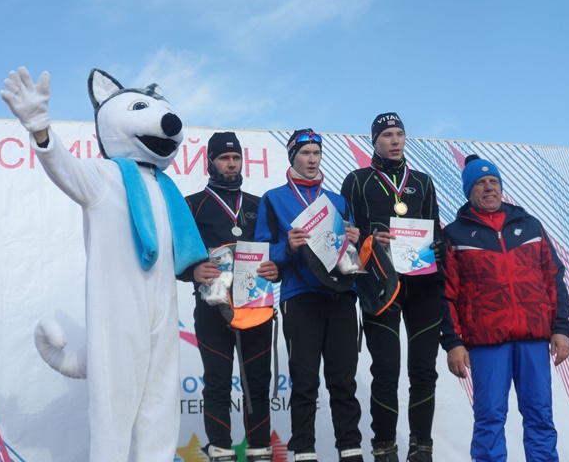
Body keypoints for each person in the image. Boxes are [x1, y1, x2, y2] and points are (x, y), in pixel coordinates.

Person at [440, 154, 569, 462]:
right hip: (486, 341)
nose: (489, 188)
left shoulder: (529, 225)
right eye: (480, 183)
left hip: (533, 337)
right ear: (469, 190)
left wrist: (562, 329)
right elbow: (446, 292)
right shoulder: (455, 234)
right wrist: (453, 342)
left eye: (493, 181)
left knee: (540, 415)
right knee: (489, 419)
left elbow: (554, 278)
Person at [254, 129, 363, 462]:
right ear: (293, 157)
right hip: (300, 295)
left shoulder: (338, 200)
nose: (312, 159)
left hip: (341, 296)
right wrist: (287, 246)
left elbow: (350, 249)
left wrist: (354, 237)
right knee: (304, 382)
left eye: (317, 152)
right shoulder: (273, 199)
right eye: (305, 153)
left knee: (343, 381)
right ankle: (304, 451)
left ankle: (351, 450)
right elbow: (261, 253)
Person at [341, 113, 444, 462]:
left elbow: (437, 235)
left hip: (423, 286)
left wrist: (436, 251)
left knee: (423, 369)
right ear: (375, 141)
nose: (395, 140)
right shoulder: (356, 181)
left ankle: (422, 448)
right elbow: (344, 238)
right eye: (387, 135)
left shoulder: (424, 182)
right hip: (378, 285)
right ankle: (384, 447)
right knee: (386, 368)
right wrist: (371, 238)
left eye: (400, 134)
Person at [178, 132, 279, 462]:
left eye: (236, 158)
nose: (231, 164)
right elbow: (176, 254)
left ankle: (260, 451)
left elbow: (273, 251)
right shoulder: (192, 204)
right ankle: (221, 451)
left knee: (257, 382)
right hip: (212, 308)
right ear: (211, 162)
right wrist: (191, 272)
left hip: (254, 305)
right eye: (224, 158)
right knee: (218, 383)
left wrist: (275, 268)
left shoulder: (257, 204)